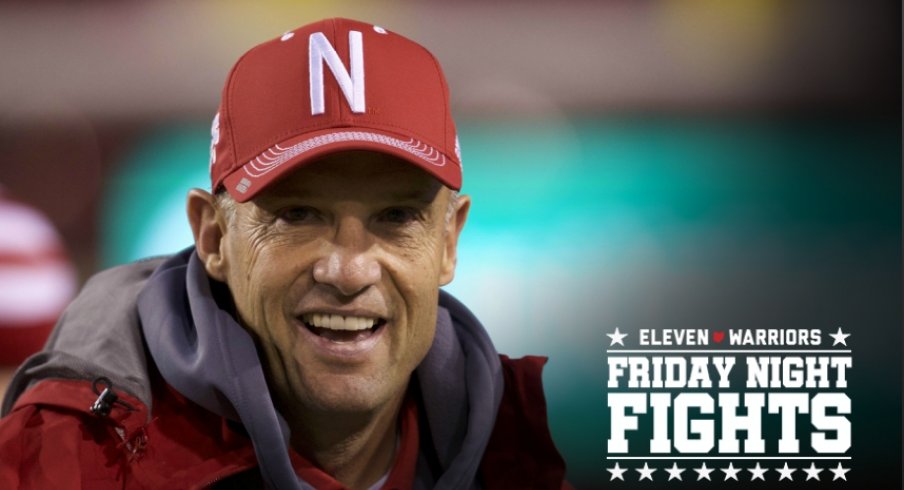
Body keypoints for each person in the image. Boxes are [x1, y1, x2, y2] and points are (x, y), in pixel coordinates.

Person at [0, 18, 568, 489]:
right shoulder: (62, 463)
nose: (348, 271)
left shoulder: (525, 462)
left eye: (396, 217)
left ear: (448, 242)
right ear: (213, 237)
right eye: (298, 216)